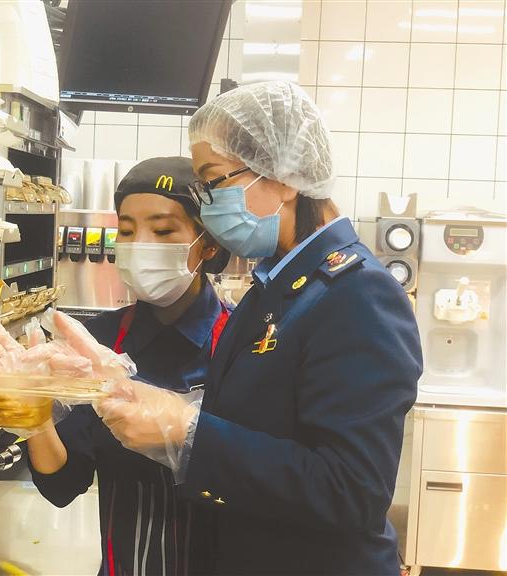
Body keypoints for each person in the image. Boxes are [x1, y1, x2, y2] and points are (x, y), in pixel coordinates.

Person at [89, 81, 423, 575]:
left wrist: (186, 432)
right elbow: (255, 421)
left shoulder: (356, 294)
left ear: (285, 178)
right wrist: (145, 402)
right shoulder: (276, 287)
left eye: (214, 181)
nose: (207, 203)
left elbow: (352, 489)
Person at [0, 157, 232, 576]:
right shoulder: (97, 343)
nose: (140, 245)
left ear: (210, 243)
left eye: (163, 231)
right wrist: (34, 418)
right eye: (126, 230)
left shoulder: (243, 342)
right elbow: (62, 483)